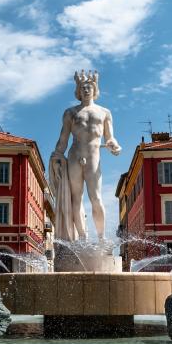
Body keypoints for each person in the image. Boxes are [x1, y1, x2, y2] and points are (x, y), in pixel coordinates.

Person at [50, 70, 121, 241]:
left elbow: (109, 137)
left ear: (95, 90)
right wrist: (57, 156)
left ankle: (101, 238)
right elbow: (63, 139)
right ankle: (82, 238)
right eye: (83, 87)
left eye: (89, 87)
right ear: (78, 91)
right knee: (76, 198)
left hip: (93, 156)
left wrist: (114, 145)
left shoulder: (104, 112)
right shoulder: (70, 113)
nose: (86, 90)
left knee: (96, 197)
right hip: (75, 156)